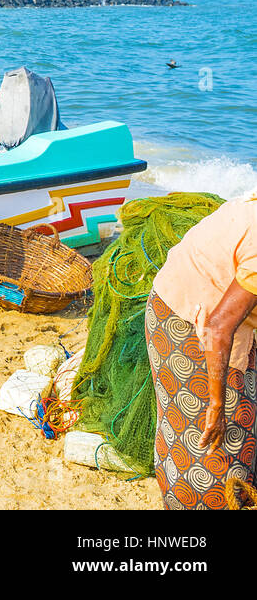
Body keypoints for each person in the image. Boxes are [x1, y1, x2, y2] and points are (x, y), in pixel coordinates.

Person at [146, 195, 257, 509]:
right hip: (188, 316)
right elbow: (219, 326)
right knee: (214, 435)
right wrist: (217, 404)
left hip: (220, 310)